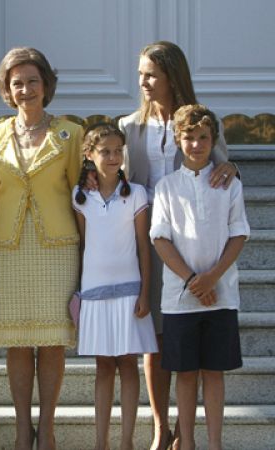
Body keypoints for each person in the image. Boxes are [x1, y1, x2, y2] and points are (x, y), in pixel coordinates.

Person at [117, 41, 238, 450]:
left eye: (151, 74)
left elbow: (222, 167)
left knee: (186, 337)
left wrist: (232, 166)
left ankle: (190, 432)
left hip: (192, 239)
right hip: (148, 240)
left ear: (172, 76)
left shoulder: (200, 120)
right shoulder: (129, 126)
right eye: (140, 74)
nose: (143, 82)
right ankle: (160, 428)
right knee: (155, 336)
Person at [0, 47, 83, 450]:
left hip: (58, 247)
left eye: (32, 81)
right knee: (17, 341)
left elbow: (82, 199)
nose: (25, 90)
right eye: (16, 83)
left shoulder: (71, 133)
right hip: (8, 248)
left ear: (46, 84)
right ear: (7, 89)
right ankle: (23, 429)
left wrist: (90, 255)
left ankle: (47, 428)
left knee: (52, 341)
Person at [150, 104, 248, 450]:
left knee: (214, 373)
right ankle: (187, 443)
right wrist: (194, 280)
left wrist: (212, 278)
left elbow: (238, 233)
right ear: (178, 140)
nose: (196, 144)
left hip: (221, 296)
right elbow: (160, 239)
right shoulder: (166, 187)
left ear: (213, 140)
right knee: (186, 374)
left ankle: (215, 444)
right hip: (180, 300)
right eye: (189, 137)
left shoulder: (229, 184)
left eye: (203, 137)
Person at [73, 124, 158, 450]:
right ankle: (101, 442)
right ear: (89, 155)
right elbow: (84, 245)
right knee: (103, 366)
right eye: (105, 151)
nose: (112, 157)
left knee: (128, 363)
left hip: (129, 292)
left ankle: (126, 442)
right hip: (95, 292)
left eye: (117, 151)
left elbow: (143, 246)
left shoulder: (135, 193)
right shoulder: (81, 196)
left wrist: (144, 292)